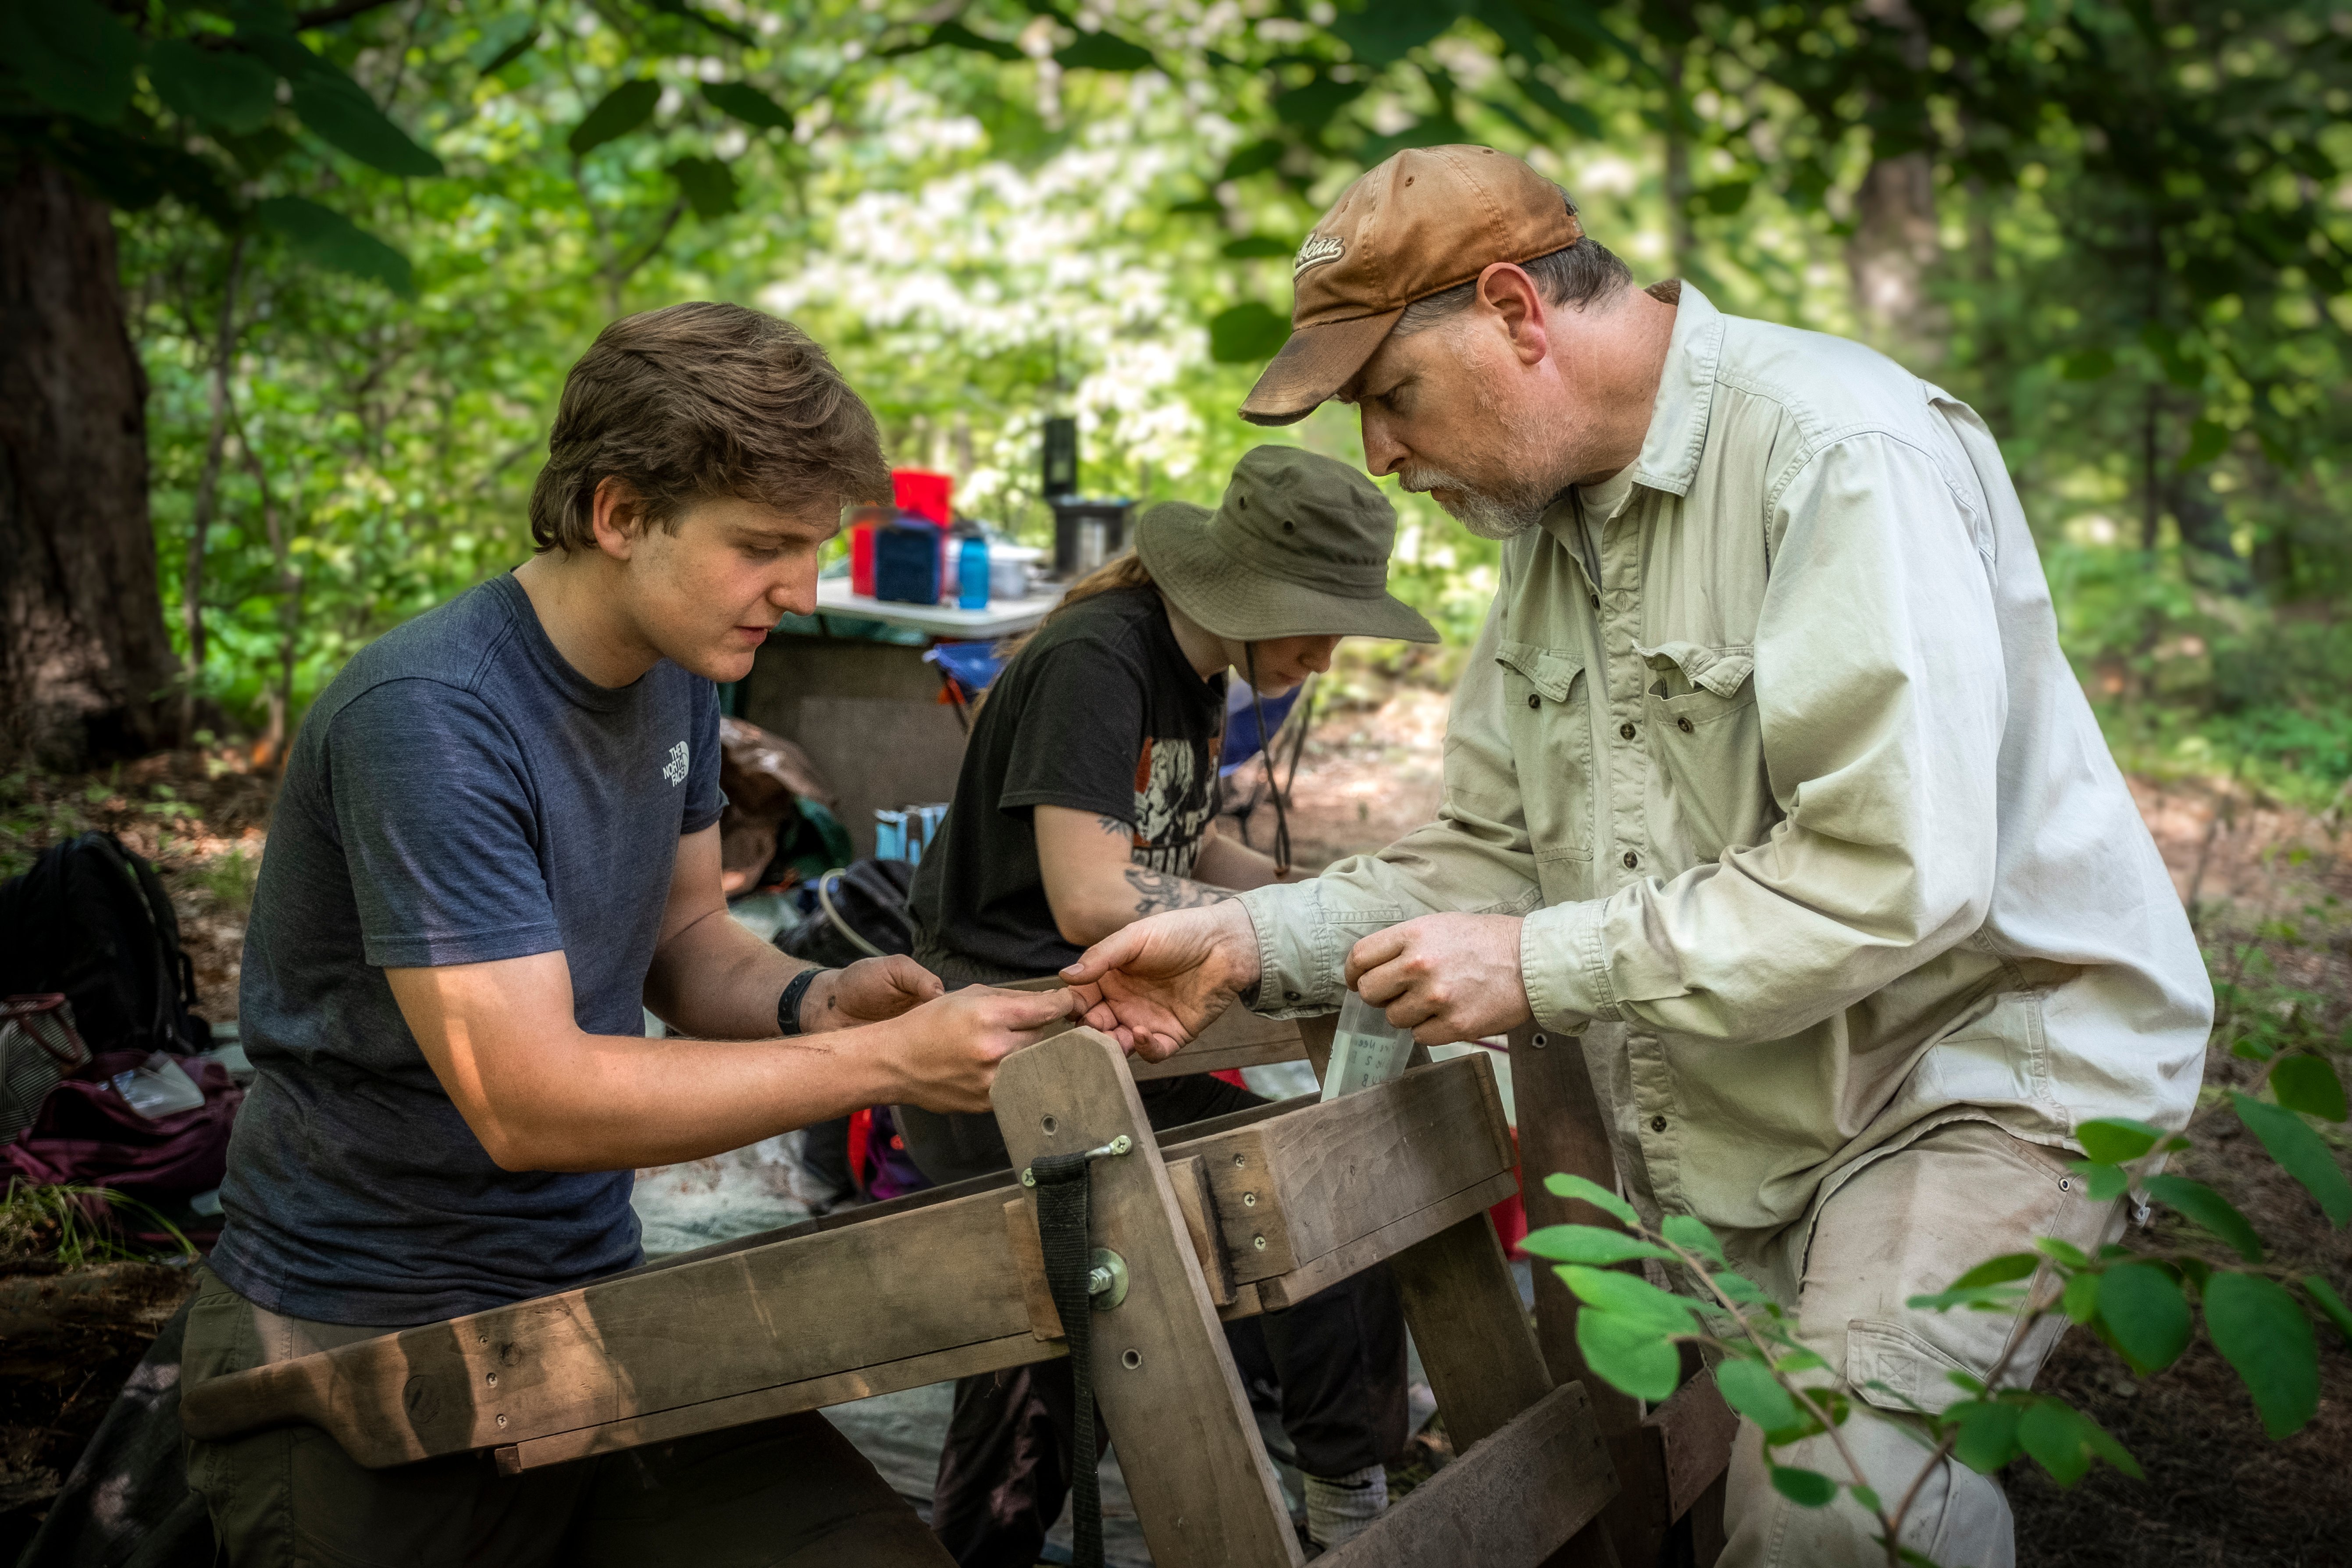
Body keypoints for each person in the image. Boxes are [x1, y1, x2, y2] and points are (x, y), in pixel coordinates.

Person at [1065, 146, 2212, 1568]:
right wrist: (1247, 939)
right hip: (1760, 1086)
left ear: (1512, 312)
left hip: (1968, 1069)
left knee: (1835, 1512)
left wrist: (1540, 961)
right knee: (1699, 1474)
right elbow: (1487, 853)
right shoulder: (1548, 531)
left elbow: (1892, 878)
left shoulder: (1838, 452)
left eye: (1389, 395)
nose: (1378, 453)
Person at [181, 302, 1078, 1567]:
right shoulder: (430, 719)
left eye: (813, 546)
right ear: (617, 514)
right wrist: (882, 1068)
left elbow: (688, 939)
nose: (802, 589)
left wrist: (822, 1006)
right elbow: (529, 1101)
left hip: (588, 1295)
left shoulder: (681, 671)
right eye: (762, 545)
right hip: (364, 1329)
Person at [902, 446, 1437, 1561]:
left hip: (1117, 1041)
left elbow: (1185, 841)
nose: (1328, 653)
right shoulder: (1099, 658)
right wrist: (1283, 934)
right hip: (1005, 1054)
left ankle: (1347, 1503)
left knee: (1315, 1179)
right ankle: (978, 1547)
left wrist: (1328, 902)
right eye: (1313, 619)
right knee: (1059, 1335)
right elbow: (1093, 891)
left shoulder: (1195, 674)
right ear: (1243, 591)